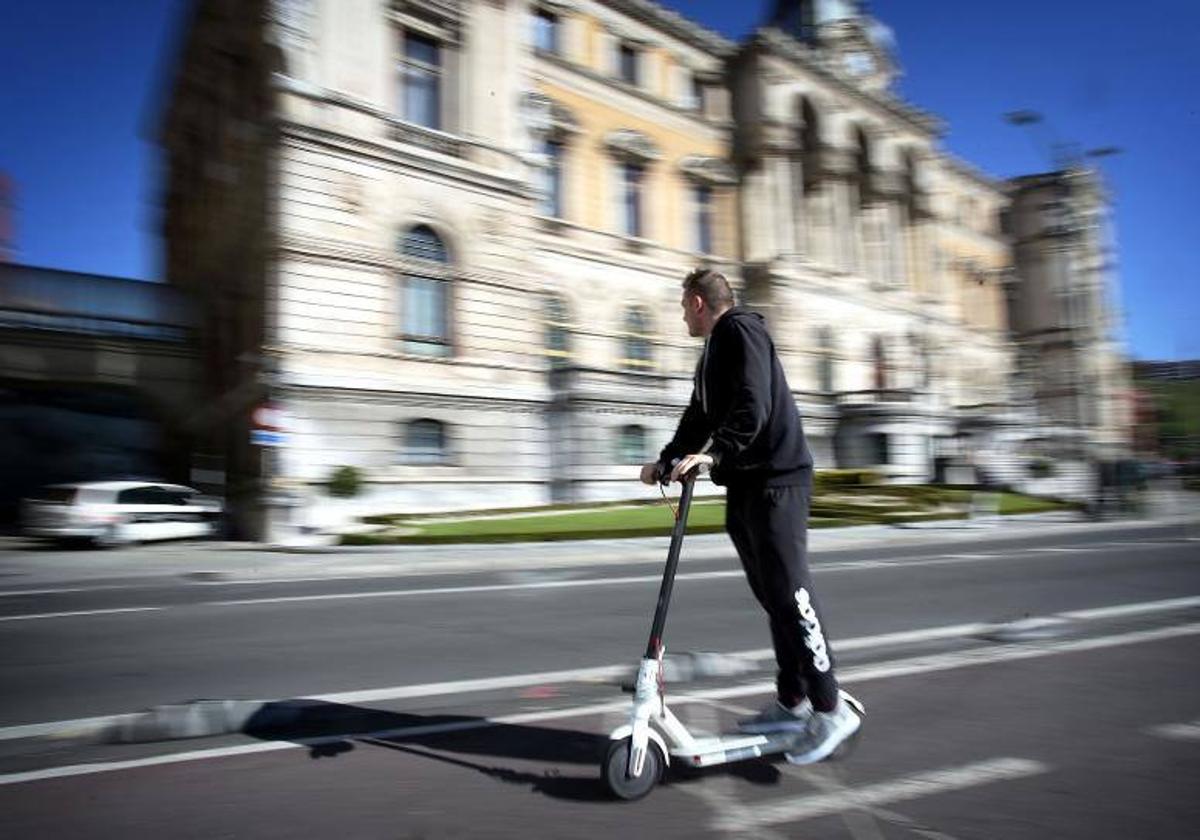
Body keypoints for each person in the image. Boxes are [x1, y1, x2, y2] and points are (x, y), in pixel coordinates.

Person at [640, 267, 859, 764]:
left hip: (778, 480)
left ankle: (829, 707)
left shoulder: (741, 331)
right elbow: (698, 417)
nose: (681, 317)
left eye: (682, 308)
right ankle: (792, 699)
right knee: (773, 598)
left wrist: (716, 456)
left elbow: (753, 406)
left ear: (698, 302)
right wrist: (669, 461)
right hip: (747, 483)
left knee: (792, 592)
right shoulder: (712, 354)